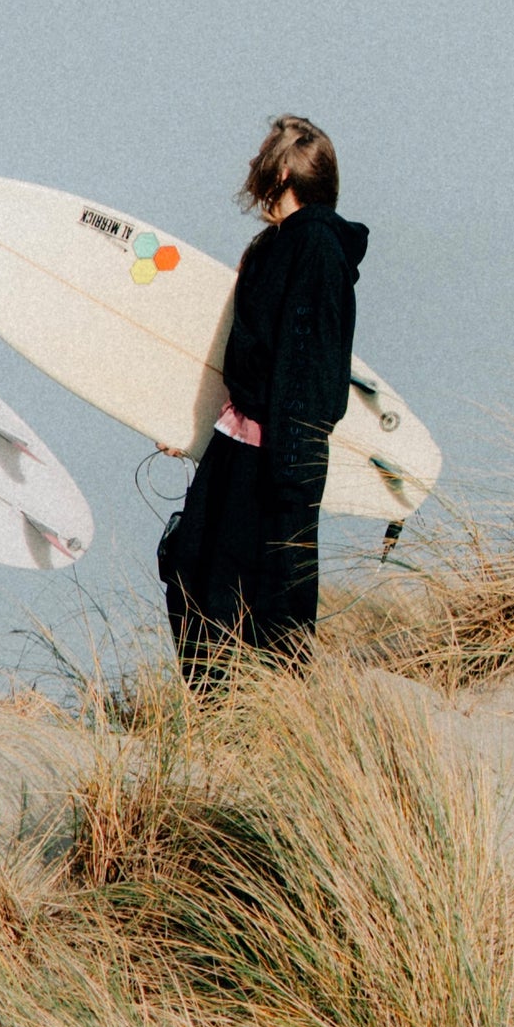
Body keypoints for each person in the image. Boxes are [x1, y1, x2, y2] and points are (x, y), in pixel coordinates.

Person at [160, 114, 364, 687]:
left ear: (282, 173)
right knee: (188, 565)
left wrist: (290, 479)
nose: (253, 169)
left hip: (276, 455)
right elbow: (245, 358)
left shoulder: (316, 248)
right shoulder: (276, 244)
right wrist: (189, 424)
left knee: (270, 604)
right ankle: (215, 708)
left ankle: (265, 713)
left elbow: (311, 367)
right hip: (238, 439)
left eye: (262, 160)